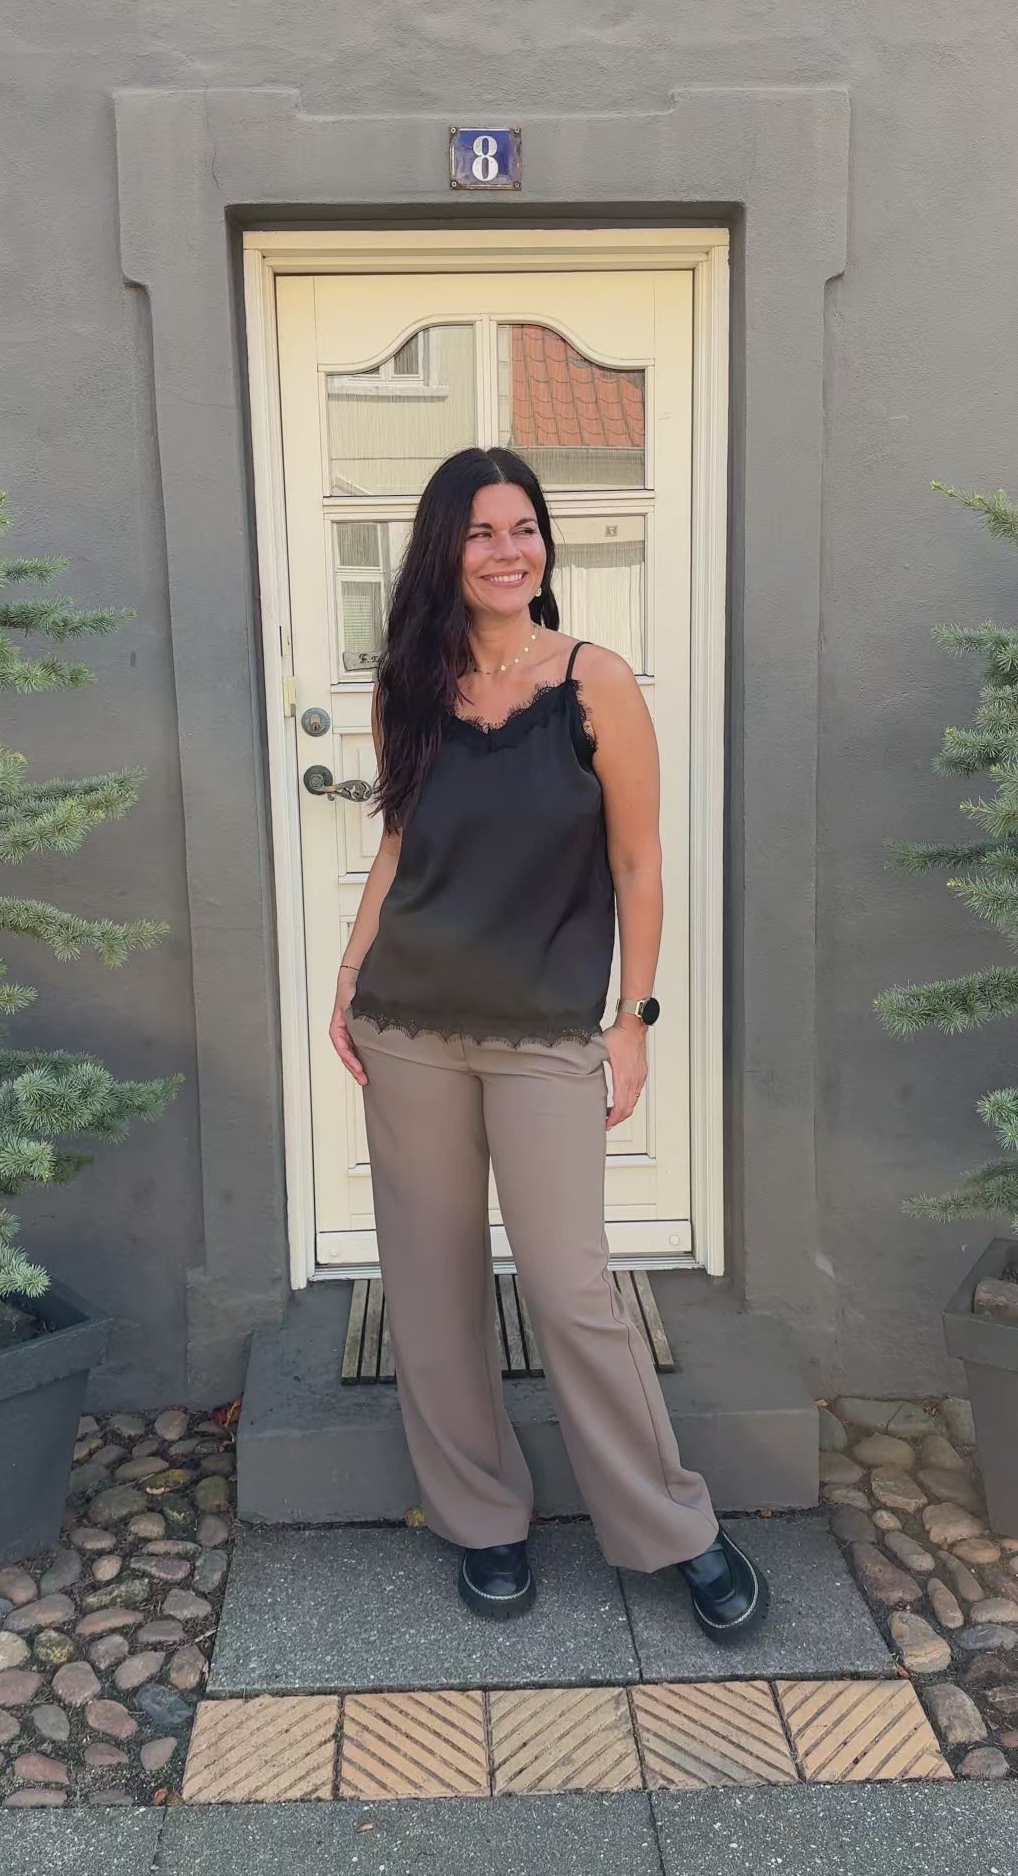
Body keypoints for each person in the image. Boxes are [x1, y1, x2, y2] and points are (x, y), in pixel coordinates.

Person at [329, 445, 768, 1644]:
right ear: (445, 550)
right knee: (431, 1288)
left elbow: (638, 860)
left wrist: (635, 1020)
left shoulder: (593, 680)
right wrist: (351, 973)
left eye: (522, 527)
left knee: (573, 1292)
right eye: (481, 531)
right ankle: (484, 1518)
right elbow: (398, 844)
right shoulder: (410, 685)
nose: (507, 549)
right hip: (410, 1024)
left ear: (544, 543)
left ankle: (674, 1525)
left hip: (546, 1033)